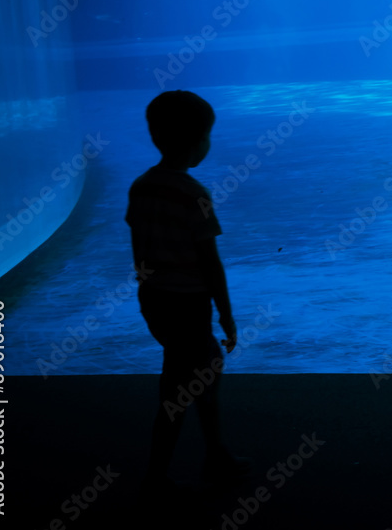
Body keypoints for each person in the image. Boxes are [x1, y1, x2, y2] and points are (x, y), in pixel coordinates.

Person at [125, 89, 249, 492]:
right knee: (182, 385)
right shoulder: (195, 195)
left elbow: (138, 246)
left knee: (193, 371)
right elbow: (210, 262)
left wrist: (148, 290)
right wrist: (226, 314)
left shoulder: (141, 187)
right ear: (199, 142)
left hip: (155, 300)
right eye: (208, 135)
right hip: (189, 303)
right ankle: (159, 475)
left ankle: (214, 454)